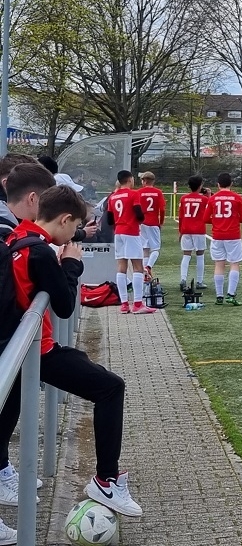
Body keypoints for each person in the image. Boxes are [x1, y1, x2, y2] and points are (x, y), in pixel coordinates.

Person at [0, 178, 143, 520]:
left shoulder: (18, 235)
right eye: (75, 226)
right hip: (36, 350)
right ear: (64, 219)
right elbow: (64, 305)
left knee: (8, 414)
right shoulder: (39, 251)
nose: (74, 235)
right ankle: (106, 480)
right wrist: (72, 264)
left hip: (18, 345)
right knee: (110, 387)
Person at [107, 170, 155, 315]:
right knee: (137, 267)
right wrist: (137, 221)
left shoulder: (113, 196)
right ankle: (138, 304)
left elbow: (109, 219)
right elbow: (139, 214)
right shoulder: (134, 194)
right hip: (131, 232)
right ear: (129, 180)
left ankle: (124, 304)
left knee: (121, 267)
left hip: (118, 233)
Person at [206, 172, 242, 306]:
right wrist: (232, 219)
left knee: (219, 264)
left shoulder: (213, 199)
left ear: (218, 185)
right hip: (233, 235)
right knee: (234, 263)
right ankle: (231, 294)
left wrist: (218, 221)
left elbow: (205, 218)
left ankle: (219, 296)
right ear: (231, 183)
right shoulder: (237, 198)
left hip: (217, 236)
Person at [177, 175, 209, 292]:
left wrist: (180, 231)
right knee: (200, 255)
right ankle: (199, 281)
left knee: (186, 255)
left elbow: (181, 216)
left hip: (186, 229)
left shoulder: (184, 198)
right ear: (200, 185)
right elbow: (211, 208)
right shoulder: (204, 199)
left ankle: (183, 279)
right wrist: (208, 195)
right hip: (199, 230)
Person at [137, 171, 166, 279]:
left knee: (145, 249)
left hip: (142, 223)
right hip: (153, 223)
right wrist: (161, 222)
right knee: (155, 249)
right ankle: (148, 267)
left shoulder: (139, 192)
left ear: (144, 181)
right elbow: (162, 209)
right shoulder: (158, 192)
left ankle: (145, 274)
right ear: (153, 181)